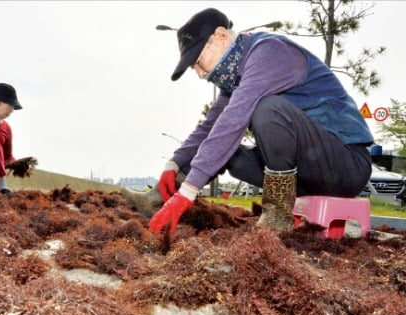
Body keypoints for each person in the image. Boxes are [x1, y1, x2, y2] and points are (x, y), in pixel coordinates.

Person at [134, 7, 373, 234]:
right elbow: (209, 128)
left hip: (346, 165)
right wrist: (173, 165)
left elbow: (231, 123)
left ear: (220, 35)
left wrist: (188, 192)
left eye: (198, 61)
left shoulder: (269, 52)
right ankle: (157, 201)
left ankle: (278, 215)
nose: (201, 74)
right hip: (306, 176)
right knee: (230, 155)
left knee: (268, 110)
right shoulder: (239, 79)